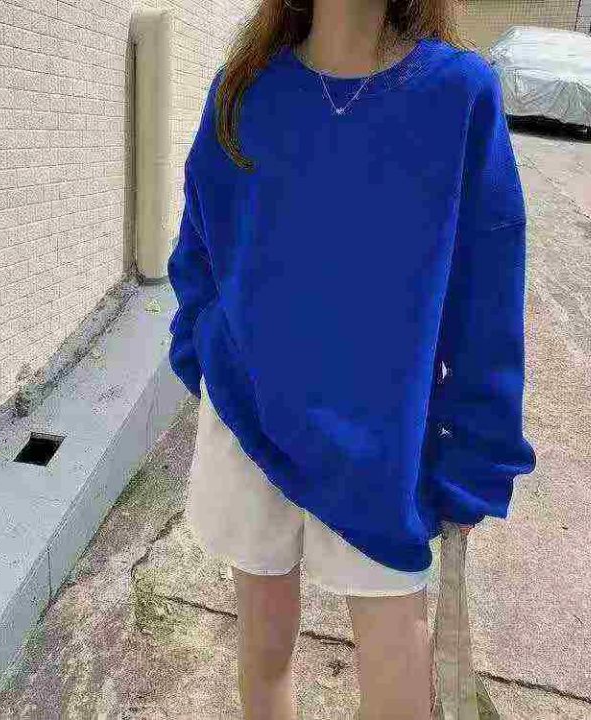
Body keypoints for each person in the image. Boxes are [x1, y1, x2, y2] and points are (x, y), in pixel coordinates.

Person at [167, 0, 537, 717]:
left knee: (400, 695)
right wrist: (206, 353)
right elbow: (199, 249)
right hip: (249, 425)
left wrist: (476, 455)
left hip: (379, 450)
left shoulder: (457, 93)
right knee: (265, 656)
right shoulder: (245, 89)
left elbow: (488, 295)